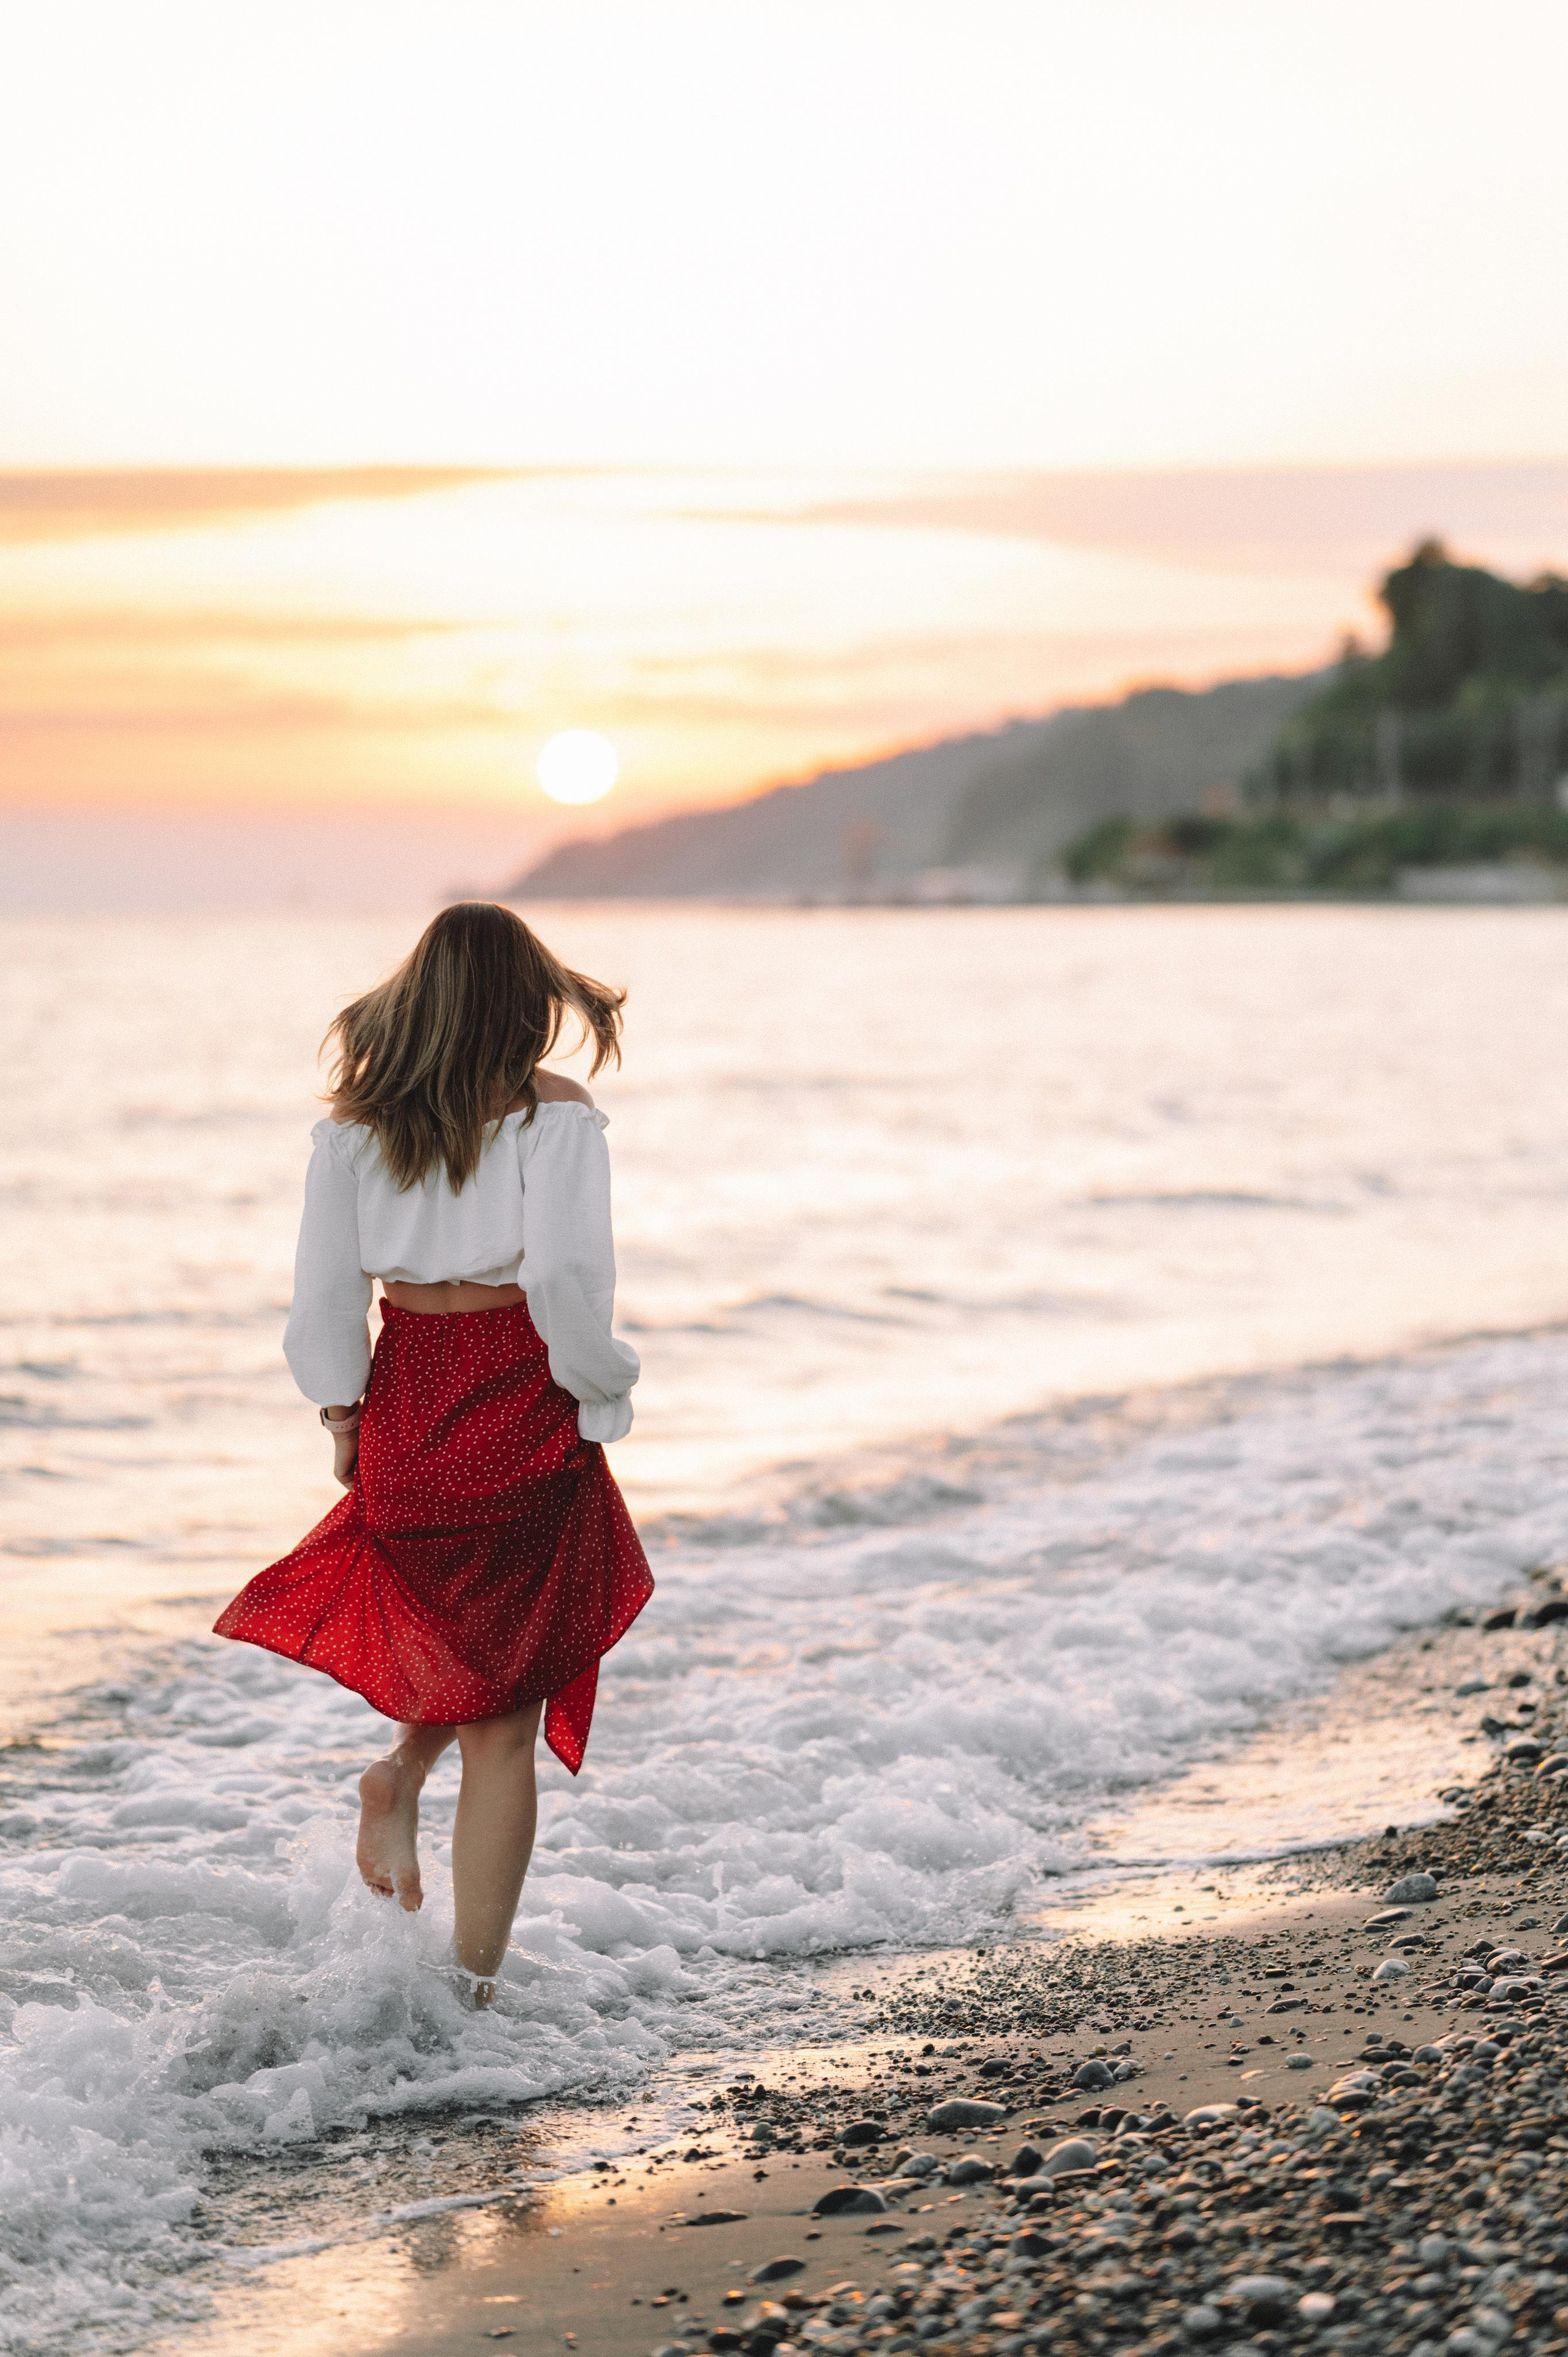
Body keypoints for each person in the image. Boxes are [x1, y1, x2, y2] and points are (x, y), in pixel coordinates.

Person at [214, 902, 652, 2005]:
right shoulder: (556, 1116)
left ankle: (401, 1772)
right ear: (523, 1001)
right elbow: (560, 1282)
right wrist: (604, 1383)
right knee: (506, 1706)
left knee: (468, 1634)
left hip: (409, 1394)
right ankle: (472, 1996)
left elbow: (322, 1300)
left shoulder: (354, 1131)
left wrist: (344, 1417)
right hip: (516, 1392)